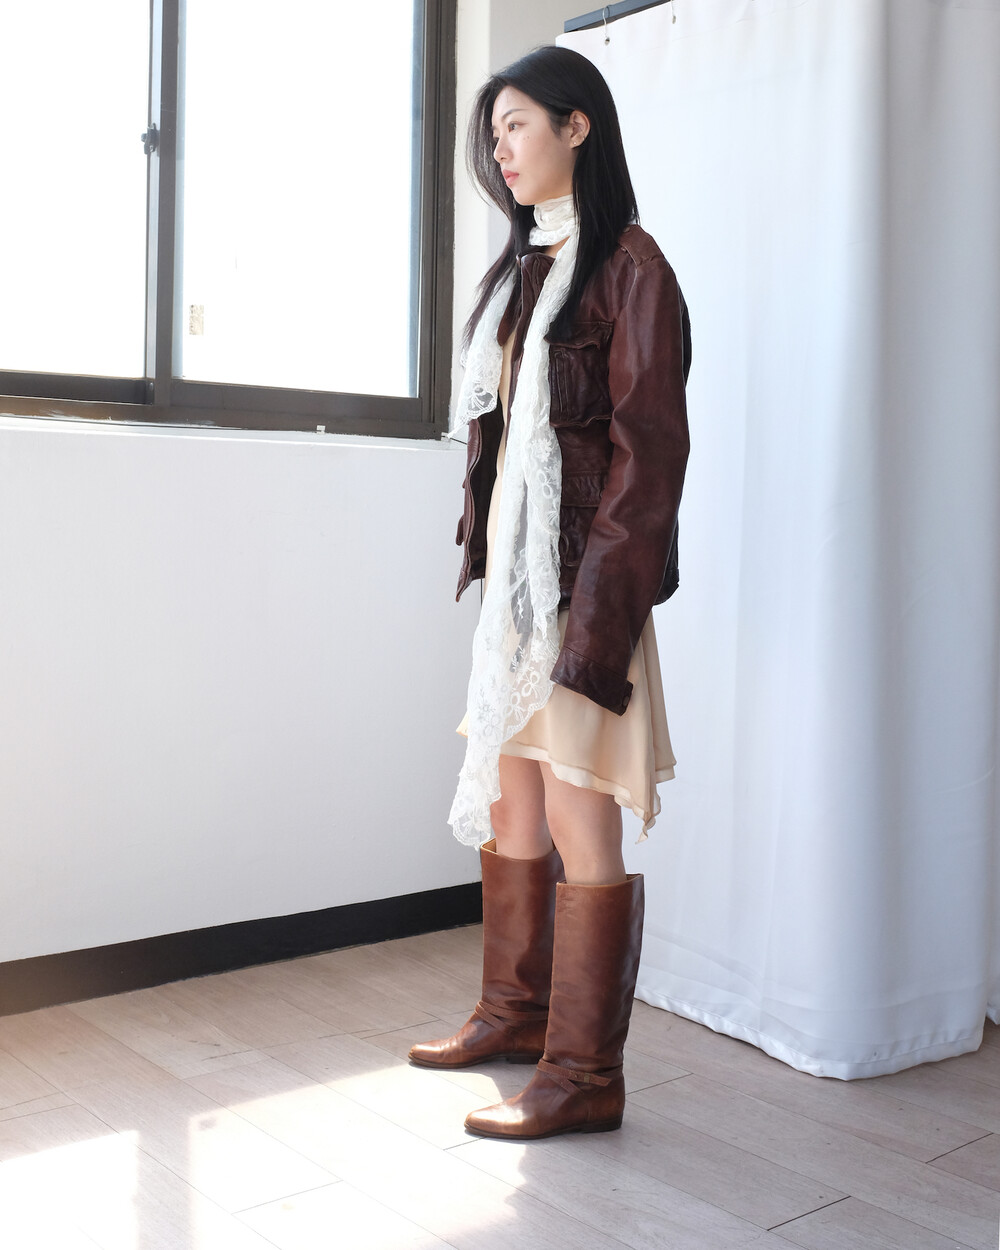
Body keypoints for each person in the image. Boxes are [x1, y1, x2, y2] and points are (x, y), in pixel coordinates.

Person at [408, 45, 692, 1141]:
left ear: (579, 127)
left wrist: (597, 626)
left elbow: (647, 462)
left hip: (587, 594)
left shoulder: (632, 268)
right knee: (512, 799)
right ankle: (514, 1014)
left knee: (577, 810)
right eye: (493, 135)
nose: (501, 150)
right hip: (521, 600)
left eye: (517, 125)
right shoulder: (527, 272)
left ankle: (584, 1074)